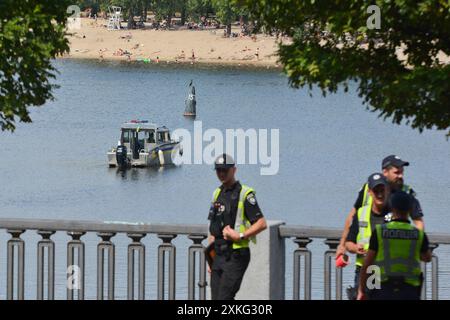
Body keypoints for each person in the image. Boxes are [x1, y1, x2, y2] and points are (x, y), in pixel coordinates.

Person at [337, 155, 425, 259]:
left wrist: (417, 245)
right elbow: (352, 216)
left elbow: (418, 222)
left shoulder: (407, 192)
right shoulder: (368, 188)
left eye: (402, 172)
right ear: (385, 173)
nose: (401, 176)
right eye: (396, 173)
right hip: (367, 261)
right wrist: (342, 245)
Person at [207, 154, 267, 300]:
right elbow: (213, 228)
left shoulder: (245, 194)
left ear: (234, 170)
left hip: (236, 255)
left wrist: (240, 236)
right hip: (218, 255)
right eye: (218, 170)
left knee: (224, 298)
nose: (221, 174)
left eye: (225, 170)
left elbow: (261, 223)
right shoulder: (217, 193)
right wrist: (210, 257)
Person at [357, 191, 432, 300]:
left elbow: (367, 264)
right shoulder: (418, 234)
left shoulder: (380, 232)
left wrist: (362, 290)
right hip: (409, 290)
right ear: (410, 209)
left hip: (382, 289)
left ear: (392, 208)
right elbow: (427, 258)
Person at [345, 173, 390, 299]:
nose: (380, 194)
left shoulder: (394, 214)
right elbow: (349, 242)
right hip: (365, 271)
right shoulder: (361, 213)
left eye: (382, 190)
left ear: (387, 191)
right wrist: (355, 248)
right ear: (370, 192)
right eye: (376, 191)